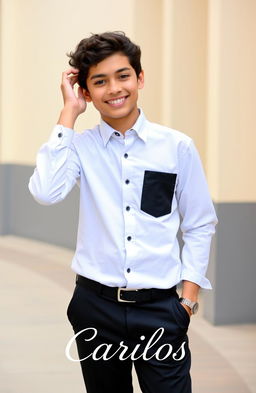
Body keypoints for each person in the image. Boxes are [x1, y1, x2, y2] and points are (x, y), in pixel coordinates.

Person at [28, 31, 218, 393]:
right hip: (96, 310)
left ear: (140, 78)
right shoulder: (80, 148)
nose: (114, 89)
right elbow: (46, 192)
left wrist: (187, 302)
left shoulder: (176, 147)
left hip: (161, 311)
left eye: (123, 76)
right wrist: (68, 113)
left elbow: (200, 223)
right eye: (99, 81)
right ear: (86, 91)